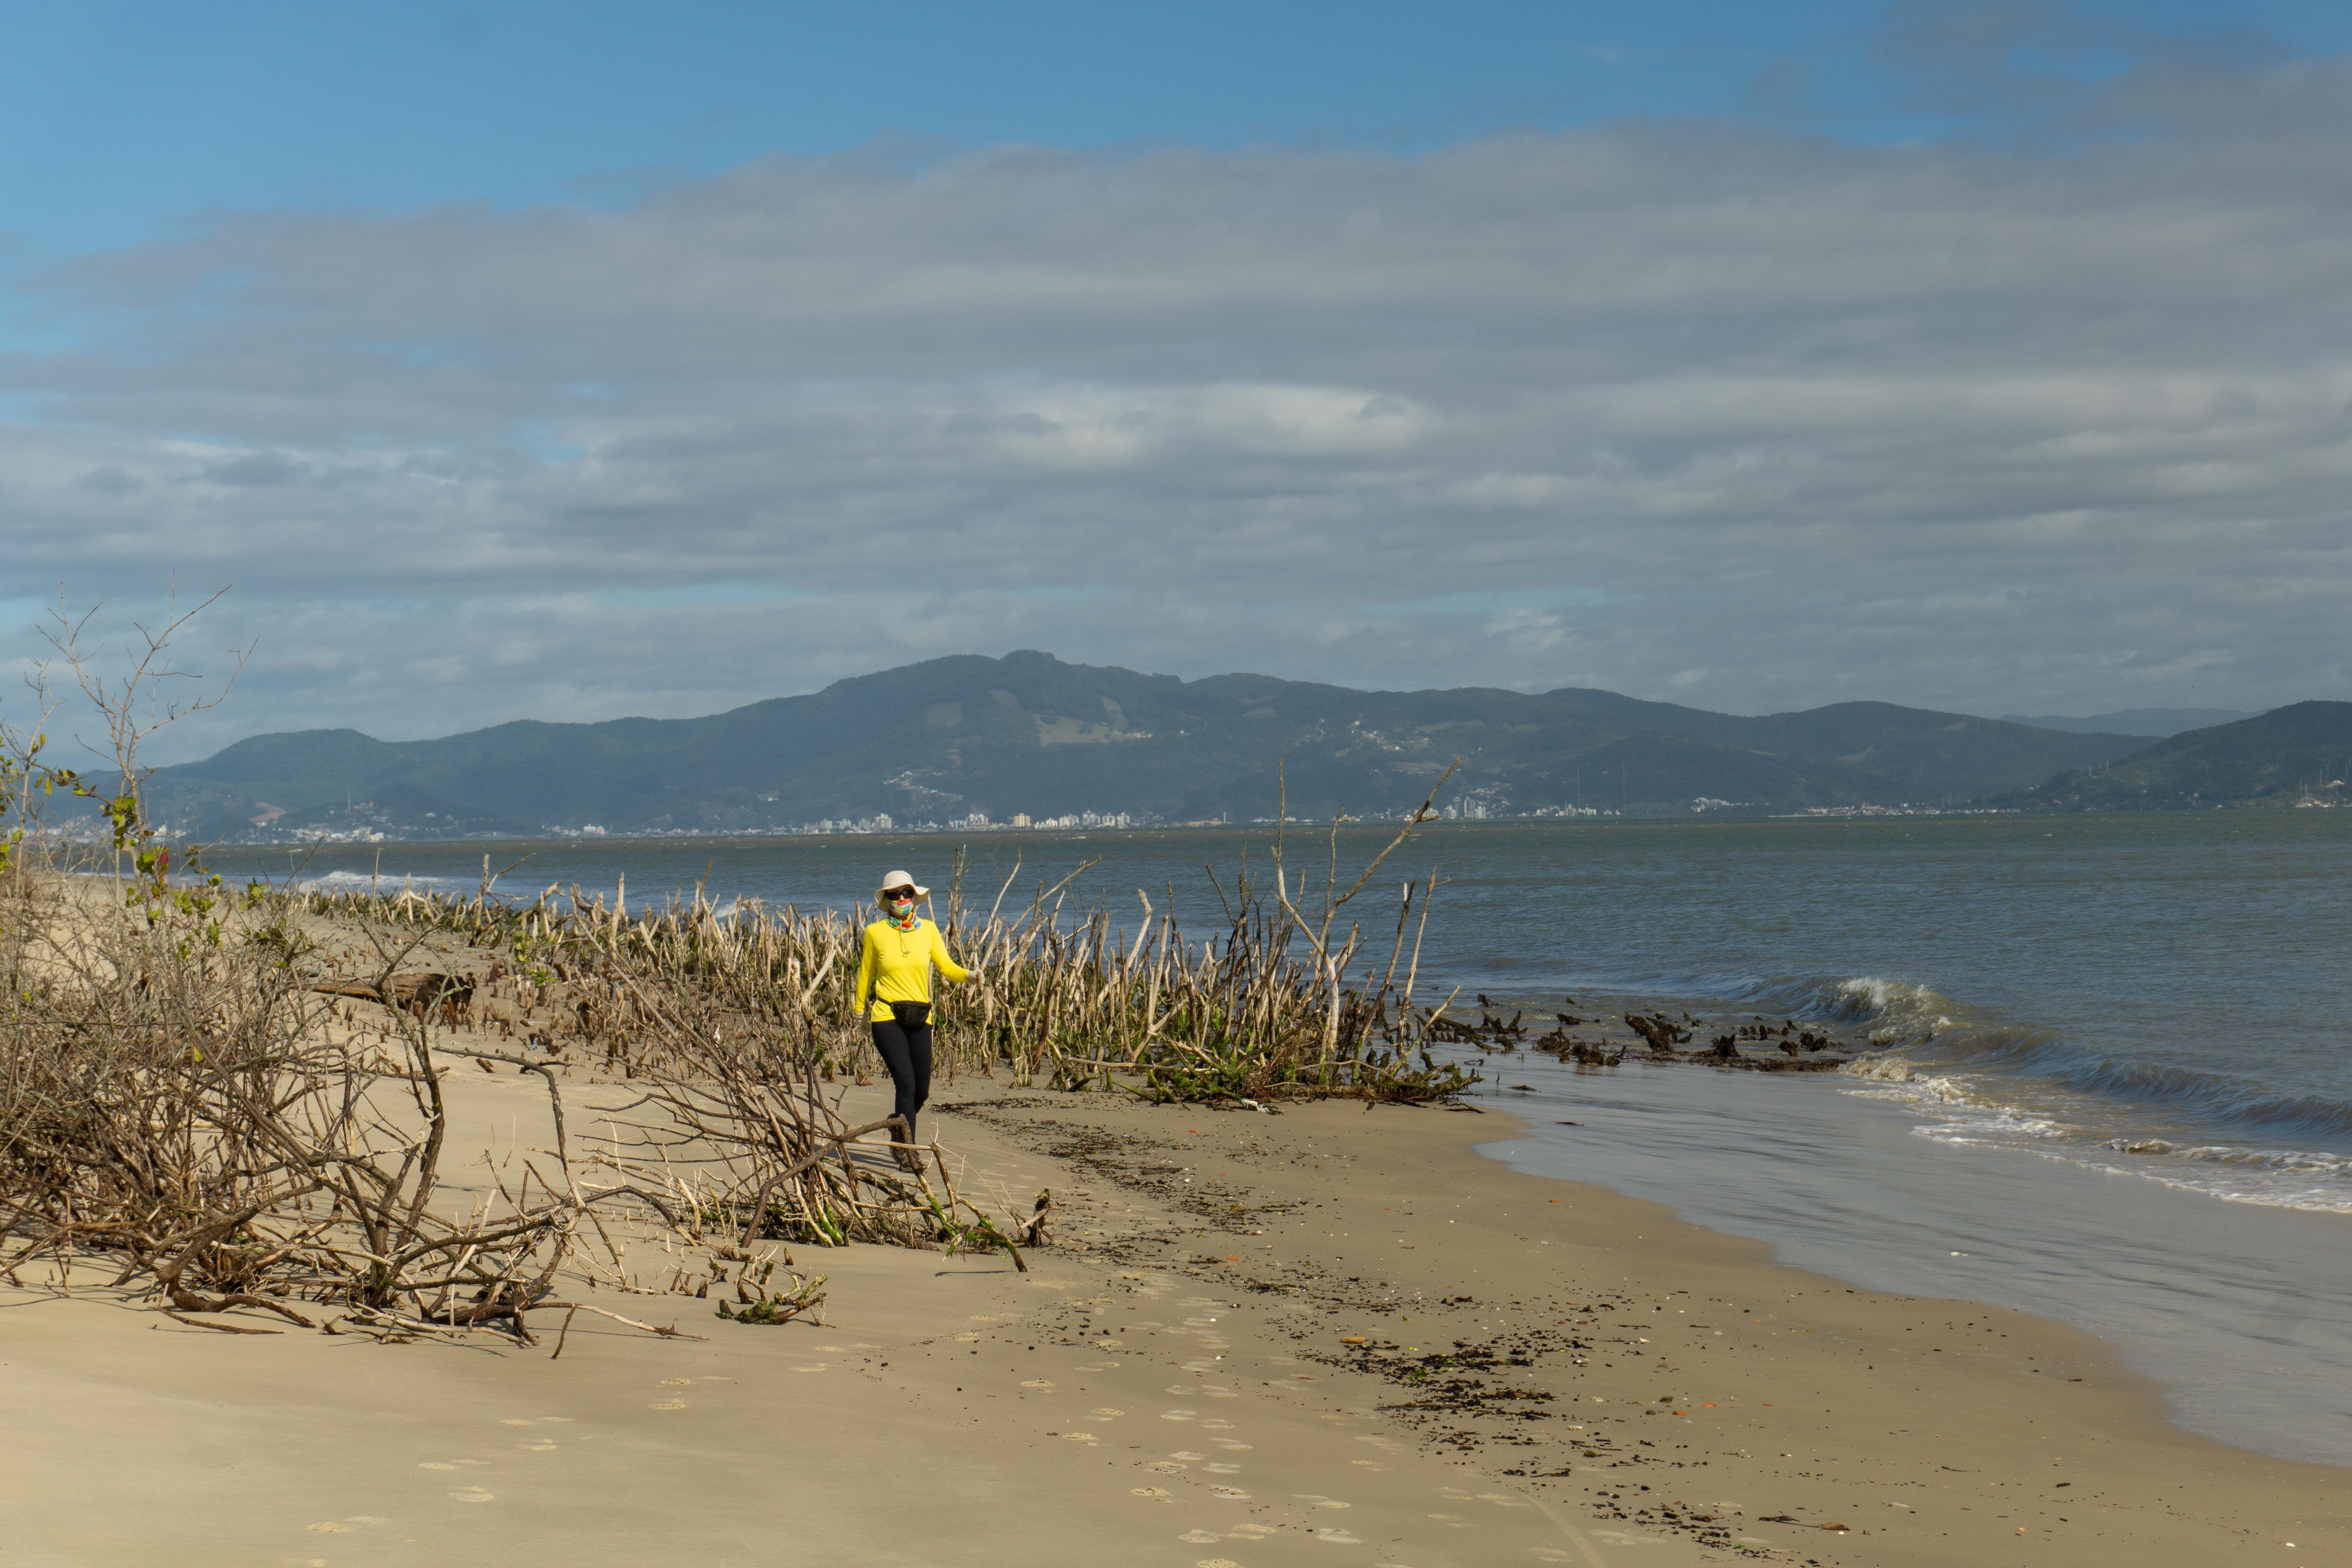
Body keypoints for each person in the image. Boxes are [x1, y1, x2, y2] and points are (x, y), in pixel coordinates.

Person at [853, 870, 979, 1166]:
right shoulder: (875, 933)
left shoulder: (930, 930)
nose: (901, 899)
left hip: (921, 1017)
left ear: (914, 897)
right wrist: (859, 1014)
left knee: (921, 1089)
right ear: (886, 900)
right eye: (894, 895)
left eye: (906, 893)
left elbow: (947, 968)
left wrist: (971, 976)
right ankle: (909, 1154)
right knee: (906, 1084)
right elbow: (865, 975)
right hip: (886, 1016)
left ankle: (898, 1126)